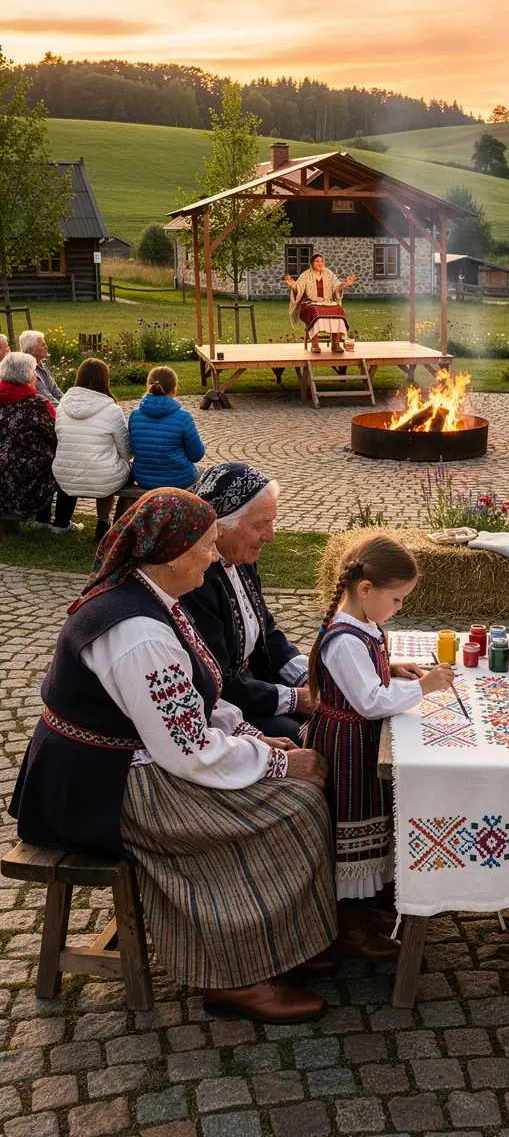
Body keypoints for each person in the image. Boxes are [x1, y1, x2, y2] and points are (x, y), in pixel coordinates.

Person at [10, 488, 337, 1023]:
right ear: (170, 555)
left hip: (126, 764)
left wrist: (253, 739)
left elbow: (197, 701)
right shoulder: (138, 631)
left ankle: (280, 946)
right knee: (289, 808)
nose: (214, 556)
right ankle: (238, 977)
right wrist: (277, 763)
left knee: (293, 794)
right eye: (206, 546)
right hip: (100, 789)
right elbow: (186, 749)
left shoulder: (152, 597)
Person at [305, 535, 455, 959]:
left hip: (358, 739)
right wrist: (424, 687)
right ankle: (350, 925)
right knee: (354, 827)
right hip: (347, 745)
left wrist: (390, 667)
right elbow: (369, 702)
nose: (400, 608)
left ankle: (371, 905)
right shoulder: (346, 638)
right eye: (398, 599)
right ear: (366, 590)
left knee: (372, 817)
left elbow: (362, 675)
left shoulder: (361, 626)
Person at [183, 463, 309, 743]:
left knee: (334, 714)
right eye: (259, 525)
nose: (271, 536)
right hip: (223, 705)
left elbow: (267, 631)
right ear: (221, 527)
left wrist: (307, 678)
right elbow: (218, 682)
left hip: (251, 684)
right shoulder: (195, 581)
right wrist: (295, 699)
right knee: (311, 737)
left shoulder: (241, 558)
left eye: (272, 521)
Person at [52, 358, 132, 540]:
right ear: (105, 379)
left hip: (65, 473)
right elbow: (126, 452)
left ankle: (61, 522)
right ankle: (103, 522)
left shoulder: (62, 405)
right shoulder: (111, 409)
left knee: (78, 461)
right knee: (108, 469)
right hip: (102, 477)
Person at [0, 351, 59, 523]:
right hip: (25, 477)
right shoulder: (39, 404)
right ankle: (42, 518)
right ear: (29, 375)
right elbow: (56, 435)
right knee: (53, 457)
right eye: (34, 371)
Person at [129, 366, 205, 489]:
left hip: (144, 478)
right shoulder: (184, 417)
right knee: (203, 474)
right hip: (179, 479)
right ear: (174, 389)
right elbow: (196, 455)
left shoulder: (135, 415)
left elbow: (134, 448)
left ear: (148, 385)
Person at [285, 253, 357, 354]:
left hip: (327, 303)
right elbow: (299, 287)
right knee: (315, 313)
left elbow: (336, 287)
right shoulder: (305, 275)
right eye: (317, 261)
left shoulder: (329, 274)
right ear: (312, 263)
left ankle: (336, 344)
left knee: (339, 311)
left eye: (322, 261)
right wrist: (293, 285)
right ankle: (315, 344)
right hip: (310, 303)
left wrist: (345, 284)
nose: (320, 263)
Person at [19, 329, 63, 406]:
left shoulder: (41, 365)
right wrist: (64, 412)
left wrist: (69, 405)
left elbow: (55, 390)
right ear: (31, 350)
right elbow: (46, 399)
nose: (46, 347)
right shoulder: (28, 369)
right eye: (43, 345)